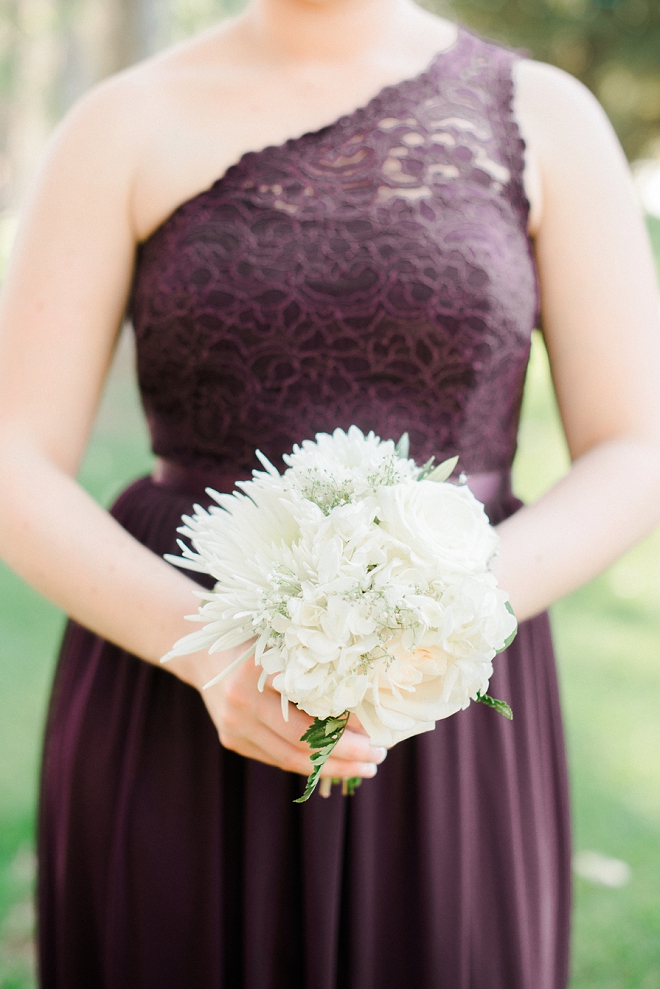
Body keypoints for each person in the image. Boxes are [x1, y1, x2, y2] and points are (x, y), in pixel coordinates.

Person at [0, 0, 659, 983]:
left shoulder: (545, 118)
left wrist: (444, 613)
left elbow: (637, 444)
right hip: (174, 677)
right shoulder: (121, 123)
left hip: (452, 700)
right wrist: (209, 650)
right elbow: (12, 453)